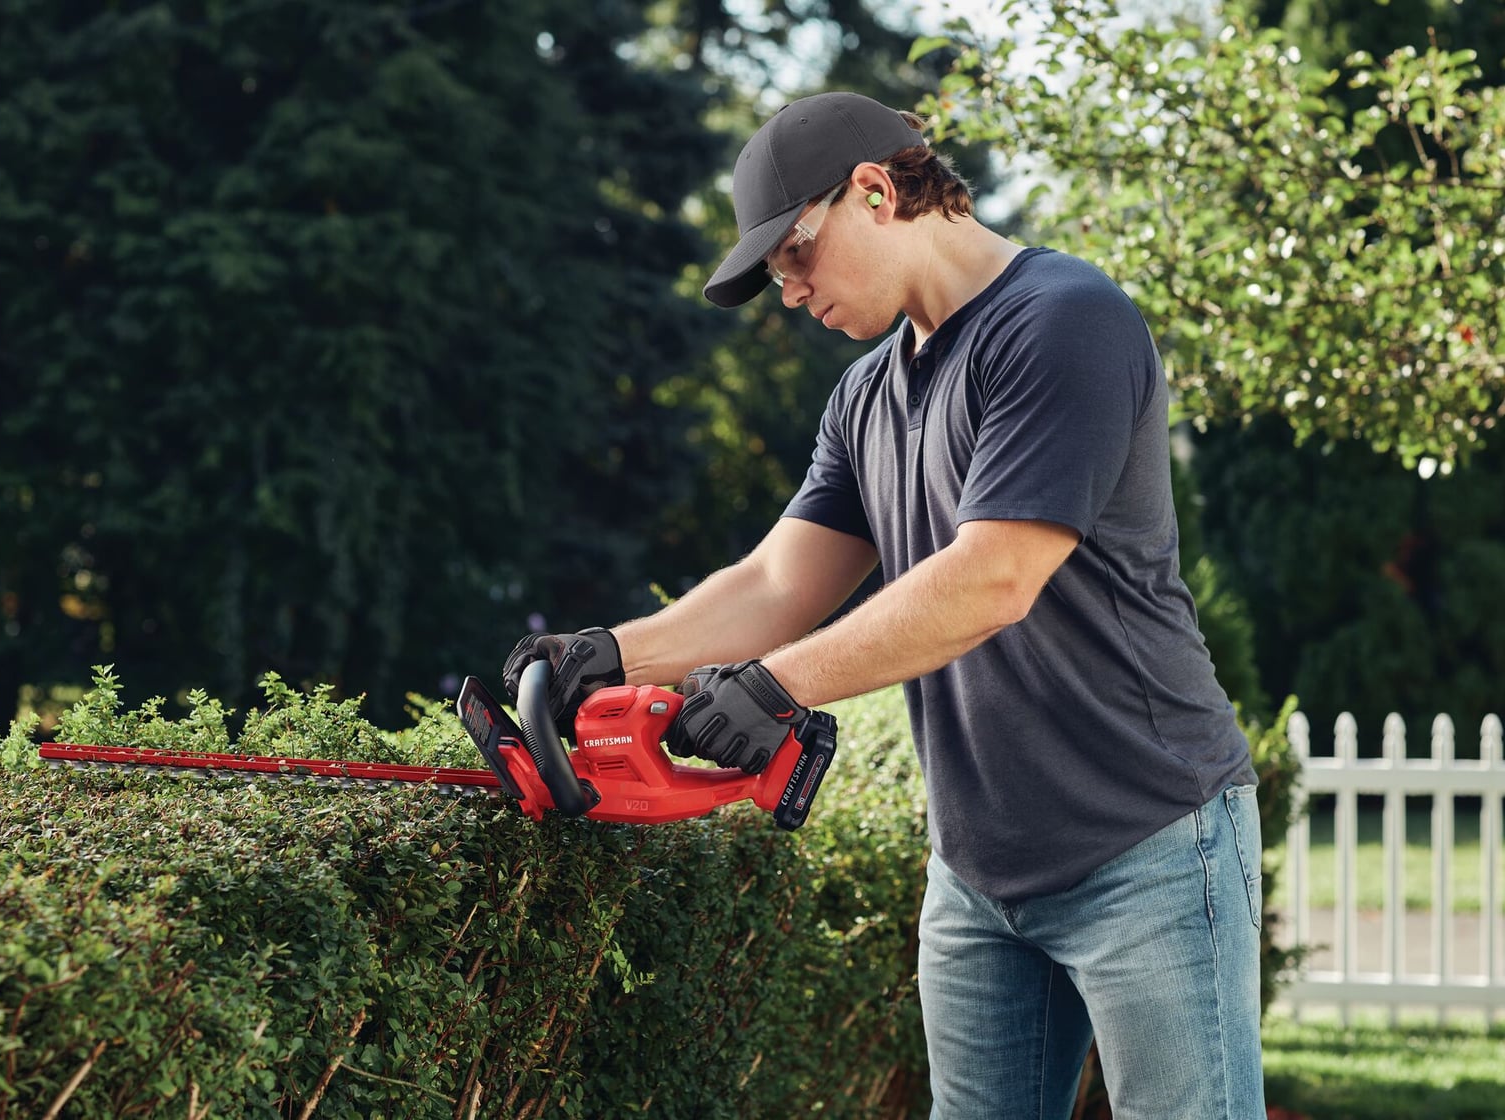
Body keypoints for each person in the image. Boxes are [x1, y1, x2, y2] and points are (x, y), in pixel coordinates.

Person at [502, 91, 1266, 1119]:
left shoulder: (1063, 321)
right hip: (979, 874)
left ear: (874, 192)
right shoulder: (866, 395)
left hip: (1151, 845)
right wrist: (608, 655)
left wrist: (773, 688)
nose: (788, 291)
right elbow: (779, 582)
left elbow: (993, 578)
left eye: (795, 254)